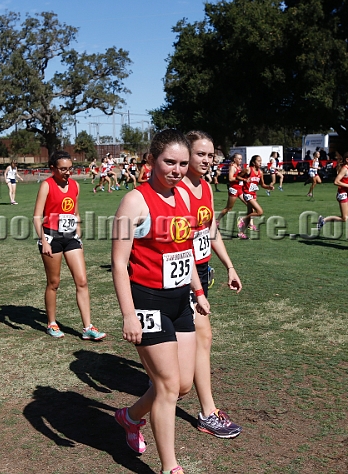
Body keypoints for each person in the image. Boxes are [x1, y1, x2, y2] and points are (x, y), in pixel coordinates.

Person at [111, 129, 209, 474]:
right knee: (167, 385)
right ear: (152, 160)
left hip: (181, 300)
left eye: (183, 163)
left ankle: (130, 416)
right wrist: (128, 315)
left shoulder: (182, 196)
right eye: (170, 162)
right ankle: (170, 467)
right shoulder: (135, 201)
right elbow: (120, 264)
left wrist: (198, 292)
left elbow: (187, 251)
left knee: (182, 385)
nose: (177, 170)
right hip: (147, 302)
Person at [180, 130, 243, 439]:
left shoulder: (205, 186)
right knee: (199, 343)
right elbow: (179, 246)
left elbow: (211, 230)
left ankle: (205, 410)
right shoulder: (176, 190)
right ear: (185, 154)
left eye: (210, 154)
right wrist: (197, 289)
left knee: (201, 340)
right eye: (200, 154)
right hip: (180, 278)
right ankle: (207, 412)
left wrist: (229, 266)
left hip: (201, 272)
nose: (206, 159)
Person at [33, 151, 106, 341]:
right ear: (53, 169)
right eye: (63, 169)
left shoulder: (75, 186)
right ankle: (51, 323)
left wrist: (79, 231)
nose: (68, 172)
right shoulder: (46, 185)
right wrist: (43, 240)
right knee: (54, 283)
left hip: (71, 238)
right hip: (51, 238)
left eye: (70, 168)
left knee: (82, 281)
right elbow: (37, 216)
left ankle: (88, 327)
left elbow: (75, 211)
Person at [317, 151, 348, 242]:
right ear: (347, 160)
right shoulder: (344, 169)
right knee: (344, 218)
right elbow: (336, 182)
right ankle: (324, 220)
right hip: (342, 194)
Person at [237, 155, 272, 239]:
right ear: (253, 162)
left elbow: (262, 184)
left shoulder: (260, 172)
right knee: (260, 212)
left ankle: (241, 233)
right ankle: (242, 219)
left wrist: (268, 187)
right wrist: (245, 180)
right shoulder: (248, 169)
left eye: (261, 161)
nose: (260, 162)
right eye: (258, 161)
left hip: (253, 194)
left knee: (250, 213)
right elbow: (237, 176)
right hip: (247, 193)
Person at [214, 153, 247, 229]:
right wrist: (240, 179)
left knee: (250, 205)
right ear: (234, 159)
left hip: (240, 189)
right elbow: (230, 179)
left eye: (241, 159)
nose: (240, 160)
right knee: (228, 208)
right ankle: (217, 220)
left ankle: (246, 222)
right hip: (234, 189)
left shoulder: (239, 167)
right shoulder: (232, 167)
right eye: (239, 159)